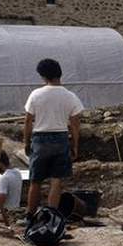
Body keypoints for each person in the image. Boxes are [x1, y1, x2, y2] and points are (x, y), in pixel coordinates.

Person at [23, 58, 83, 220]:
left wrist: (26, 142)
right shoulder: (70, 96)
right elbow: (75, 123)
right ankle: (51, 217)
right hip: (61, 138)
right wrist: (75, 145)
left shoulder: (36, 95)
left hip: (40, 139)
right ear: (59, 73)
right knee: (56, 181)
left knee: (35, 180)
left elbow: (28, 121)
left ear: (43, 76)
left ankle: (30, 216)